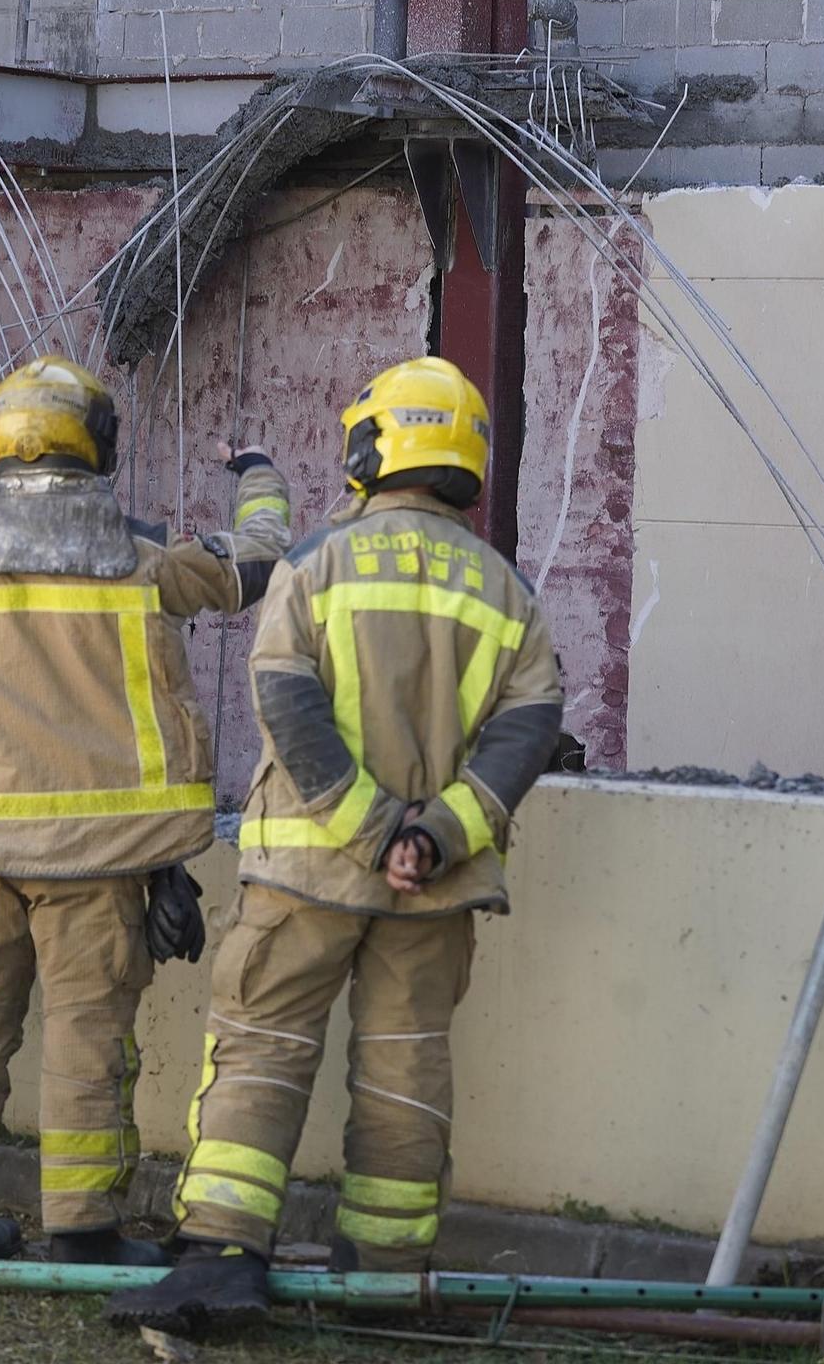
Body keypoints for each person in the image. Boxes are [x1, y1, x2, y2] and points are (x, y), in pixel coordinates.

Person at [112, 357, 565, 1336]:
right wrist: (431, 836)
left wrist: (369, 828)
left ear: (370, 448)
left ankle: (222, 1259)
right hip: (434, 885)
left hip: (306, 868)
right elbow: (528, 728)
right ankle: (390, 1276)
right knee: (406, 1067)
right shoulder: (506, 590)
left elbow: (287, 699)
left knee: (262, 1051)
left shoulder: (319, 561)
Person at [0, 354, 291, 1263]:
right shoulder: (143, 557)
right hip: (99, 858)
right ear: (101, 445)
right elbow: (257, 562)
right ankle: (84, 1232)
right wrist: (255, 474)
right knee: (88, 1038)